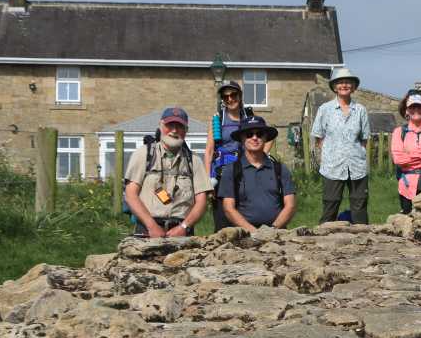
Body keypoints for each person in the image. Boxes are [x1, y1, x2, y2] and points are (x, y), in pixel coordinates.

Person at [124, 107, 211, 237]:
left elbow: (201, 201)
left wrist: (184, 227)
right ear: (161, 126)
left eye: (179, 126)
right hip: (147, 231)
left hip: (182, 233)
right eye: (169, 125)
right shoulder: (144, 154)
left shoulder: (194, 161)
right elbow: (131, 194)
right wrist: (151, 226)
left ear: (186, 130)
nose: (174, 130)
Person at [203, 81, 273, 231]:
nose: (229, 99)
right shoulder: (218, 120)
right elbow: (209, 150)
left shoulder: (249, 116)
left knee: (246, 212)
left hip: (245, 172)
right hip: (222, 172)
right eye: (225, 96)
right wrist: (208, 180)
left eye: (233, 95)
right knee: (223, 217)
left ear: (240, 96)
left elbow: (268, 139)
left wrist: (260, 157)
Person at [311, 67, 371, 224]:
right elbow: (319, 137)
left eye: (348, 82)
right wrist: (332, 153)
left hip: (357, 166)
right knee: (331, 203)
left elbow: (364, 138)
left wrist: (355, 153)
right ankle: (323, 241)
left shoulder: (360, 110)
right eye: (340, 82)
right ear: (334, 86)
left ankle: (364, 240)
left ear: (353, 86)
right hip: (333, 165)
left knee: (360, 205)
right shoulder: (325, 109)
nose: (344, 85)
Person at [217, 116, 296, 232]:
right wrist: (254, 232)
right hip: (244, 235)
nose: (255, 138)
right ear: (242, 139)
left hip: (277, 233)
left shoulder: (279, 169)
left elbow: (290, 205)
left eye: (259, 134)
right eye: (249, 134)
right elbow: (228, 208)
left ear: (265, 138)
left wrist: (272, 230)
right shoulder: (231, 170)